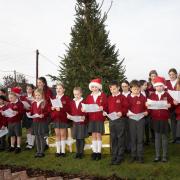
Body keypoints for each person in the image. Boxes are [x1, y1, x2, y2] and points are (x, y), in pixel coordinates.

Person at [147, 76, 173, 162]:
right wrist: (147, 106)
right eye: (157, 86)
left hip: (164, 119)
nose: (159, 87)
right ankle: (157, 155)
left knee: (164, 138)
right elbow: (149, 108)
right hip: (155, 119)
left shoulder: (167, 94)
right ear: (155, 87)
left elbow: (172, 103)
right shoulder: (152, 95)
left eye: (160, 86)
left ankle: (164, 156)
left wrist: (171, 105)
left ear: (163, 86)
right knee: (157, 138)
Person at [82, 78, 107, 160]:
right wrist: (84, 110)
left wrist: (103, 107)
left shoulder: (103, 95)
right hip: (92, 118)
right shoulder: (89, 97)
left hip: (99, 118)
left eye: (95, 87)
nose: (94, 88)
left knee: (98, 134)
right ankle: (94, 152)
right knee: (93, 135)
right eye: (92, 87)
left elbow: (106, 106)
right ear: (90, 88)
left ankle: (99, 152)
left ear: (98, 87)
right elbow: (86, 106)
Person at [107, 81, 128, 165]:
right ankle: (114, 156)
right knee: (113, 138)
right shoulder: (109, 98)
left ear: (118, 88)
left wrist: (121, 112)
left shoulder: (122, 97)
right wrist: (105, 112)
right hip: (112, 121)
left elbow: (126, 108)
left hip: (120, 120)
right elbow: (107, 108)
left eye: (114, 88)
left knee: (120, 138)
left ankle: (120, 156)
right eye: (111, 89)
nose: (112, 90)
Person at [127, 80, 148, 163]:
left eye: (137, 89)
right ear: (131, 89)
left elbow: (147, 107)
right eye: (134, 89)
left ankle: (140, 156)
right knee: (133, 138)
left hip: (141, 120)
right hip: (132, 120)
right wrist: (127, 113)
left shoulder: (143, 97)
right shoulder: (128, 98)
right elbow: (125, 108)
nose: (136, 91)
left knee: (140, 138)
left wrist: (147, 112)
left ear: (140, 88)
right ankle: (133, 156)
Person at [51, 84, 71, 157]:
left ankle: (63, 151)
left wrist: (61, 109)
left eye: (60, 88)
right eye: (57, 88)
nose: (58, 90)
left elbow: (69, 109)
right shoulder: (53, 98)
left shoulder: (66, 98)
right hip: (56, 119)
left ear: (64, 90)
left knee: (63, 135)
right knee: (57, 135)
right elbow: (50, 109)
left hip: (63, 119)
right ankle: (58, 151)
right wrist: (52, 108)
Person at [68, 87, 88, 159]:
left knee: (81, 138)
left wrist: (84, 116)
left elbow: (87, 112)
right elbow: (70, 111)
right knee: (77, 138)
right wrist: (69, 116)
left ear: (81, 94)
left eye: (78, 94)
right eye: (75, 94)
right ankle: (77, 152)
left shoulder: (84, 102)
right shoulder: (72, 102)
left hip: (82, 123)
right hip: (75, 123)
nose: (76, 96)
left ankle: (81, 152)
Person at [30, 88, 50, 158]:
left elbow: (48, 112)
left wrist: (43, 115)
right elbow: (32, 112)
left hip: (42, 122)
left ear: (42, 95)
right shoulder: (33, 103)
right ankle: (38, 151)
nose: (37, 97)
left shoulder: (44, 103)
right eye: (36, 95)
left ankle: (42, 151)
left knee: (41, 136)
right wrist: (30, 114)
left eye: (39, 95)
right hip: (35, 122)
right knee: (37, 136)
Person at [166, 68, 178, 143]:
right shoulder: (167, 84)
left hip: (178, 105)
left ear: (176, 74)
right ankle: (174, 138)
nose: (172, 76)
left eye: (173, 74)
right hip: (171, 106)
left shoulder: (179, 82)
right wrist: (170, 102)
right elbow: (166, 95)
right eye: (170, 75)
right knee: (172, 123)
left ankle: (178, 138)